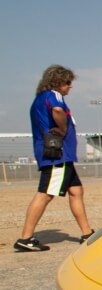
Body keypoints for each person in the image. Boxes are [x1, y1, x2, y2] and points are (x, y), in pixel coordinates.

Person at [15, 65, 94, 252]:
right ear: (58, 82)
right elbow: (57, 111)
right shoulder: (53, 95)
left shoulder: (38, 100)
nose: (69, 87)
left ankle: (87, 233)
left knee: (76, 191)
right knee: (45, 193)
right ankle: (25, 237)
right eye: (67, 82)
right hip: (57, 154)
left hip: (58, 155)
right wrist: (63, 129)